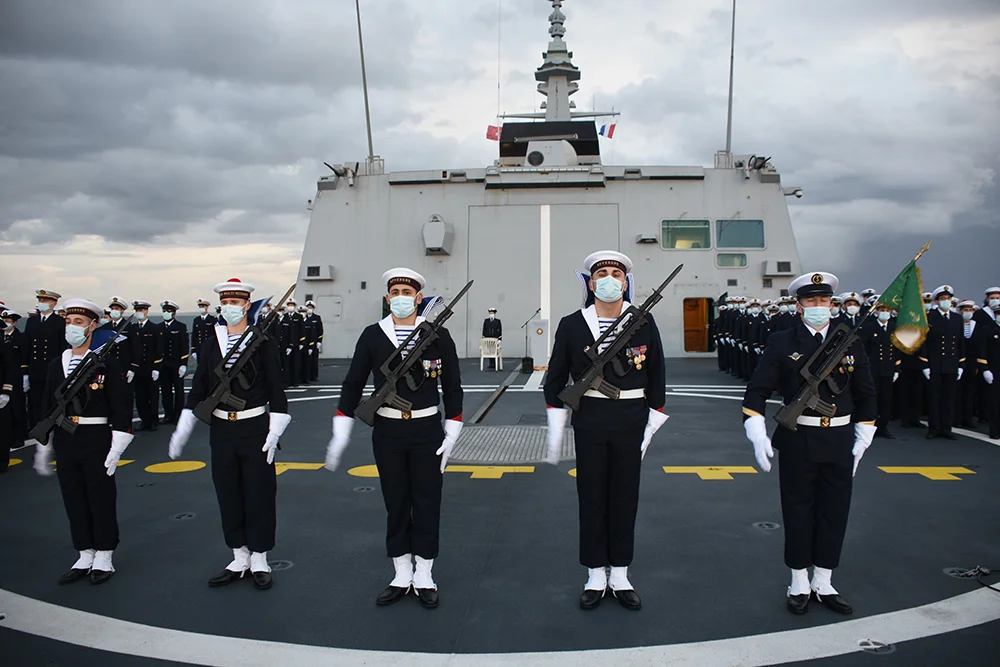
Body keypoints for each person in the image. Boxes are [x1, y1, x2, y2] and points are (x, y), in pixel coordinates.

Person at [325, 268, 463, 609]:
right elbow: (353, 383)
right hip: (387, 430)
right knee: (396, 501)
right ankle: (401, 572)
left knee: (428, 501)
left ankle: (425, 573)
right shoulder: (373, 335)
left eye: (407, 291)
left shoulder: (438, 337)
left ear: (419, 298)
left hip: (427, 429)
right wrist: (340, 429)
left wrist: (453, 429)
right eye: (395, 291)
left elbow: (453, 387)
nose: (401, 296)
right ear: (388, 298)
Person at [742, 271, 876, 616]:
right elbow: (757, 390)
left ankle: (825, 580)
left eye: (825, 301)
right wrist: (756, 430)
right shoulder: (782, 342)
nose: (820, 306)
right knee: (798, 510)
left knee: (835, 511)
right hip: (799, 437)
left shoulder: (850, 341)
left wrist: (864, 435)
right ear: (799, 306)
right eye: (812, 301)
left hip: (840, 439)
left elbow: (866, 392)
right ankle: (799, 580)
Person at [543, 251, 668, 611]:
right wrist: (556, 426)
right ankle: (596, 574)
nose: (611, 279)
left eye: (617, 273)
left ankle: (621, 574)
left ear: (626, 283)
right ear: (591, 283)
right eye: (603, 274)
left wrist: (652, 421)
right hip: (592, 417)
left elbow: (657, 372)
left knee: (625, 496)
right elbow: (556, 377)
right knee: (593, 495)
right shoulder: (572, 324)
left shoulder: (642, 321)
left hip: (631, 416)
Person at [168, 278, 290, 590]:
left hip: (254, 427)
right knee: (228, 491)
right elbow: (199, 389)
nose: (230, 307)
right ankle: (239, 554)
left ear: (248, 305)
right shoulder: (211, 344)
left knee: (260, 493)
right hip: (222, 429)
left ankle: (260, 557)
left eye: (236, 302)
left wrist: (274, 430)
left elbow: (277, 389)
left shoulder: (263, 342)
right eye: (226, 302)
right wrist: (183, 428)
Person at [33, 299, 133, 584]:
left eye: (78, 323)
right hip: (66, 437)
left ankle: (104, 553)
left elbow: (121, 406)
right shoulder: (57, 363)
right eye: (68, 322)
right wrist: (44, 445)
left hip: (96, 436)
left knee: (100, 496)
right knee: (73, 495)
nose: (72, 328)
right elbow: (47, 405)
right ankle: (84, 552)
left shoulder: (107, 363)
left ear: (93, 326)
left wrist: (117, 446)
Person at [920, 285, 965, 440]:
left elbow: (960, 342)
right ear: (937, 301)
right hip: (935, 364)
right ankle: (933, 428)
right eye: (943, 299)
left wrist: (961, 364)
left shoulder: (957, 318)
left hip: (951, 363)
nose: (946, 301)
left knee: (949, 398)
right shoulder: (930, 317)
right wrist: (925, 364)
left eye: (948, 299)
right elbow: (924, 342)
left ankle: (946, 428)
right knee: (934, 397)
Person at [22, 289, 65, 438]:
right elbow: (26, 346)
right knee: (34, 402)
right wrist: (25, 372)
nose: (41, 303)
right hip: (34, 369)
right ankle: (36, 429)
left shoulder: (59, 322)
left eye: (45, 301)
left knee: (50, 402)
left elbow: (62, 347)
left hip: (51, 369)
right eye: (40, 300)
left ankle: (50, 430)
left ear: (53, 303)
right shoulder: (32, 321)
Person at [858, 301, 899, 439]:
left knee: (886, 400)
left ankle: (883, 427)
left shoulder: (894, 328)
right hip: (872, 370)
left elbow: (897, 350)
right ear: (876, 311)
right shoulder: (869, 328)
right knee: (871, 399)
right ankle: (870, 426)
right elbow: (863, 350)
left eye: (887, 310)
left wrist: (897, 368)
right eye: (882, 310)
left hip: (888, 369)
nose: (885, 312)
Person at [131, 300, 162, 431]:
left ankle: (153, 420)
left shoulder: (154, 328)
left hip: (150, 367)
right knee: (140, 396)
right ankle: (144, 420)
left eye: (142, 310)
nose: (139, 313)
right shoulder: (133, 328)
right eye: (137, 310)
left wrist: (156, 368)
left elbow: (159, 349)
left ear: (147, 311)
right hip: (138, 368)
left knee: (152, 395)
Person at [157, 300, 189, 424]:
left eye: (169, 311)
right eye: (164, 311)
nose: (166, 313)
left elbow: (184, 346)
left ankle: (178, 415)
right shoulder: (158, 328)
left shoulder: (180, 327)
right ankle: (168, 414)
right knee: (166, 391)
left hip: (176, 364)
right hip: (164, 365)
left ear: (174, 313)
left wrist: (183, 364)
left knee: (179, 391)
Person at [2, 309, 29, 448]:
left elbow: (24, 356)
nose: (6, 323)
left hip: (17, 377)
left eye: (8, 321)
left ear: (14, 323)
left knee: (17, 408)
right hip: (4, 377)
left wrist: (25, 374)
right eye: (4, 320)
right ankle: (9, 436)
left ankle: (19, 436)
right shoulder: (2, 337)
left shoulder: (21, 337)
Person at [191, 298, 217, 368]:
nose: (201, 308)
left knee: (209, 367)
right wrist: (193, 349)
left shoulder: (213, 319)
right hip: (199, 348)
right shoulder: (196, 320)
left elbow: (215, 335)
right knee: (200, 367)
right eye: (200, 307)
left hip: (209, 348)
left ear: (207, 307)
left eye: (203, 306)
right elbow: (194, 335)